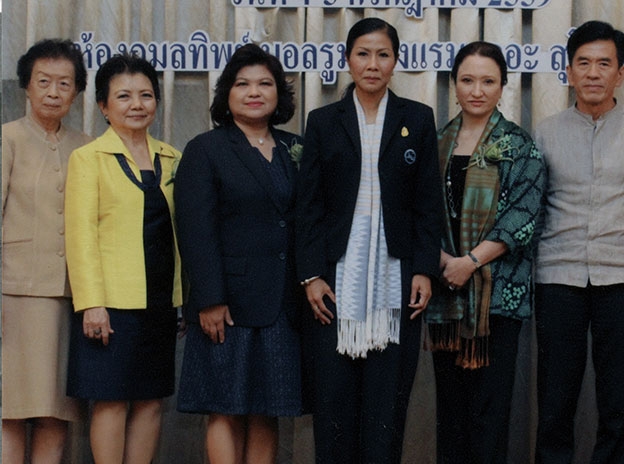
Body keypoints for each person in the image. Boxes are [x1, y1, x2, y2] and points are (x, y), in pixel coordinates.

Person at [295, 17, 441, 464]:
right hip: (334, 280)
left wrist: (423, 270)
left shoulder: (417, 118)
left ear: (395, 61)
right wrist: (311, 275)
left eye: (382, 54)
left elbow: (427, 204)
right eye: (363, 54)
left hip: (396, 280)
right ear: (348, 60)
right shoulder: (323, 121)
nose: (372, 64)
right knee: (334, 408)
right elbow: (309, 207)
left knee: (386, 410)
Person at [533, 20, 624, 463]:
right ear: (568, 71)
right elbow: (538, 207)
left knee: (618, 402)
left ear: (621, 73)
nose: (593, 73)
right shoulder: (546, 131)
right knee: (555, 400)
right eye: (583, 63)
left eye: (604, 63)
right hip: (558, 277)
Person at [174, 43, 303, 463]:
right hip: (228, 304)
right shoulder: (206, 148)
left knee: (268, 409)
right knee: (225, 406)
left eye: (265, 84)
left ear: (279, 93)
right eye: (242, 84)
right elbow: (195, 231)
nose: (254, 92)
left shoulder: (295, 147)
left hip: (283, 303)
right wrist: (209, 299)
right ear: (226, 93)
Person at [424, 41, 546, 463]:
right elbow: (419, 210)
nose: (477, 91)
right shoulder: (436, 142)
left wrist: (471, 262)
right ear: (454, 84)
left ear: (502, 86)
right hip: (445, 292)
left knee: (489, 412)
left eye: (488, 81)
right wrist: (446, 262)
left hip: (497, 296)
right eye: (467, 80)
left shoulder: (519, 144)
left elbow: (524, 216)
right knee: (451, 413)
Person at [64, 53, 182, 464]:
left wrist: (184, 296)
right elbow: (81, 236)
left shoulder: (172, 157)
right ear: (103, 105)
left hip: (161, 300)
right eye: (124, 96)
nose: (137, 104)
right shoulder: (88, 158)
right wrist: (91, 303)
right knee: (111, 400)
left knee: (151, 400)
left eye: (146, 95)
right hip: (111, 304)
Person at [1, 38, 90, 464]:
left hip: (71, 297)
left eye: (64, 83)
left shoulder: (87, 146)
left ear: (77, 91)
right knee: (12, 410)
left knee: (57, 411)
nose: (53, 92)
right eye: (43, 81)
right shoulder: (7, 139)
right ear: (27, 85)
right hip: (14, 294)